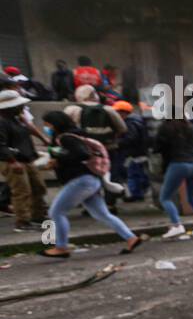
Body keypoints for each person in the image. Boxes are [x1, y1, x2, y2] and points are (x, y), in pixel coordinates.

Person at [39, 111, 146, 259]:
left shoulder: (66, 138)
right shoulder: (76, 134)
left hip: (81, 181)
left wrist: (58, 160)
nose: (46, 127)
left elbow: (82, 154)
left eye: (48, 124)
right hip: (91, 180)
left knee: (56, 212)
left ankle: (61, 247)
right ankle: (131, 238)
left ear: (56, 123)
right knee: (102, 214)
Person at [154, 116, 193, 239]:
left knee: (165, 197)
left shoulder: (165, 128)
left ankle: (176, 225)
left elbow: (158, 148)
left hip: (177, 164)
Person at [0, 89, 49, 232]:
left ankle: (38, 215)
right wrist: (12, 161)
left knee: (38, 187)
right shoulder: (2, 123)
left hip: (26, 158)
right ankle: (23, 221)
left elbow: (30, 128)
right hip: (13, 160)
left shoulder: (18, 119)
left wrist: (43, 139)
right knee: (22, 191)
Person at [116, 101, 151, 201]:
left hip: (133, 153)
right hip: (140, 152)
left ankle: (136, 194)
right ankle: (141, 189)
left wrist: (118, 143)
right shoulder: (137, 120)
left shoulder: (130, 123)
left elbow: (131, 138)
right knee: (140, 172)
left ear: (123, 113)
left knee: (133, 173)